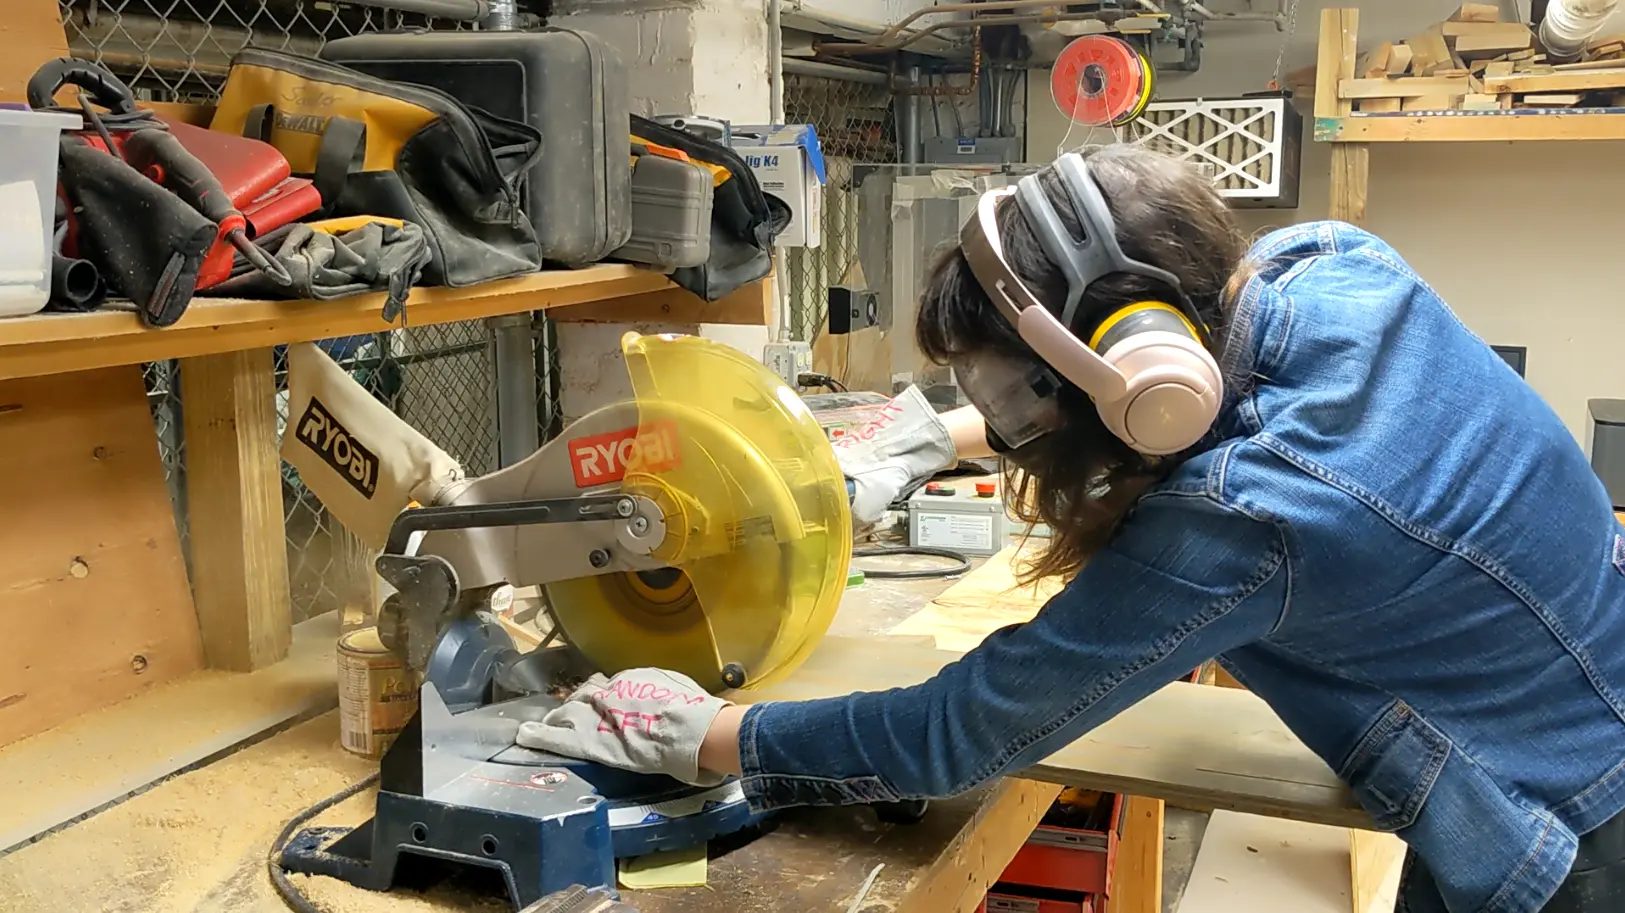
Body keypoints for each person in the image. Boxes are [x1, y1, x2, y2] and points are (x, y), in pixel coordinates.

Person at [517, 145, 1625, 912]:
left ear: (1138, 382)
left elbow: (959, 730)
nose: (1001, 435)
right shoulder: (1325, 263)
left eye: (1010, 408)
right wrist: (911, 439)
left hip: (1568, 833)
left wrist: (704, 735)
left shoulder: (1247, 517)